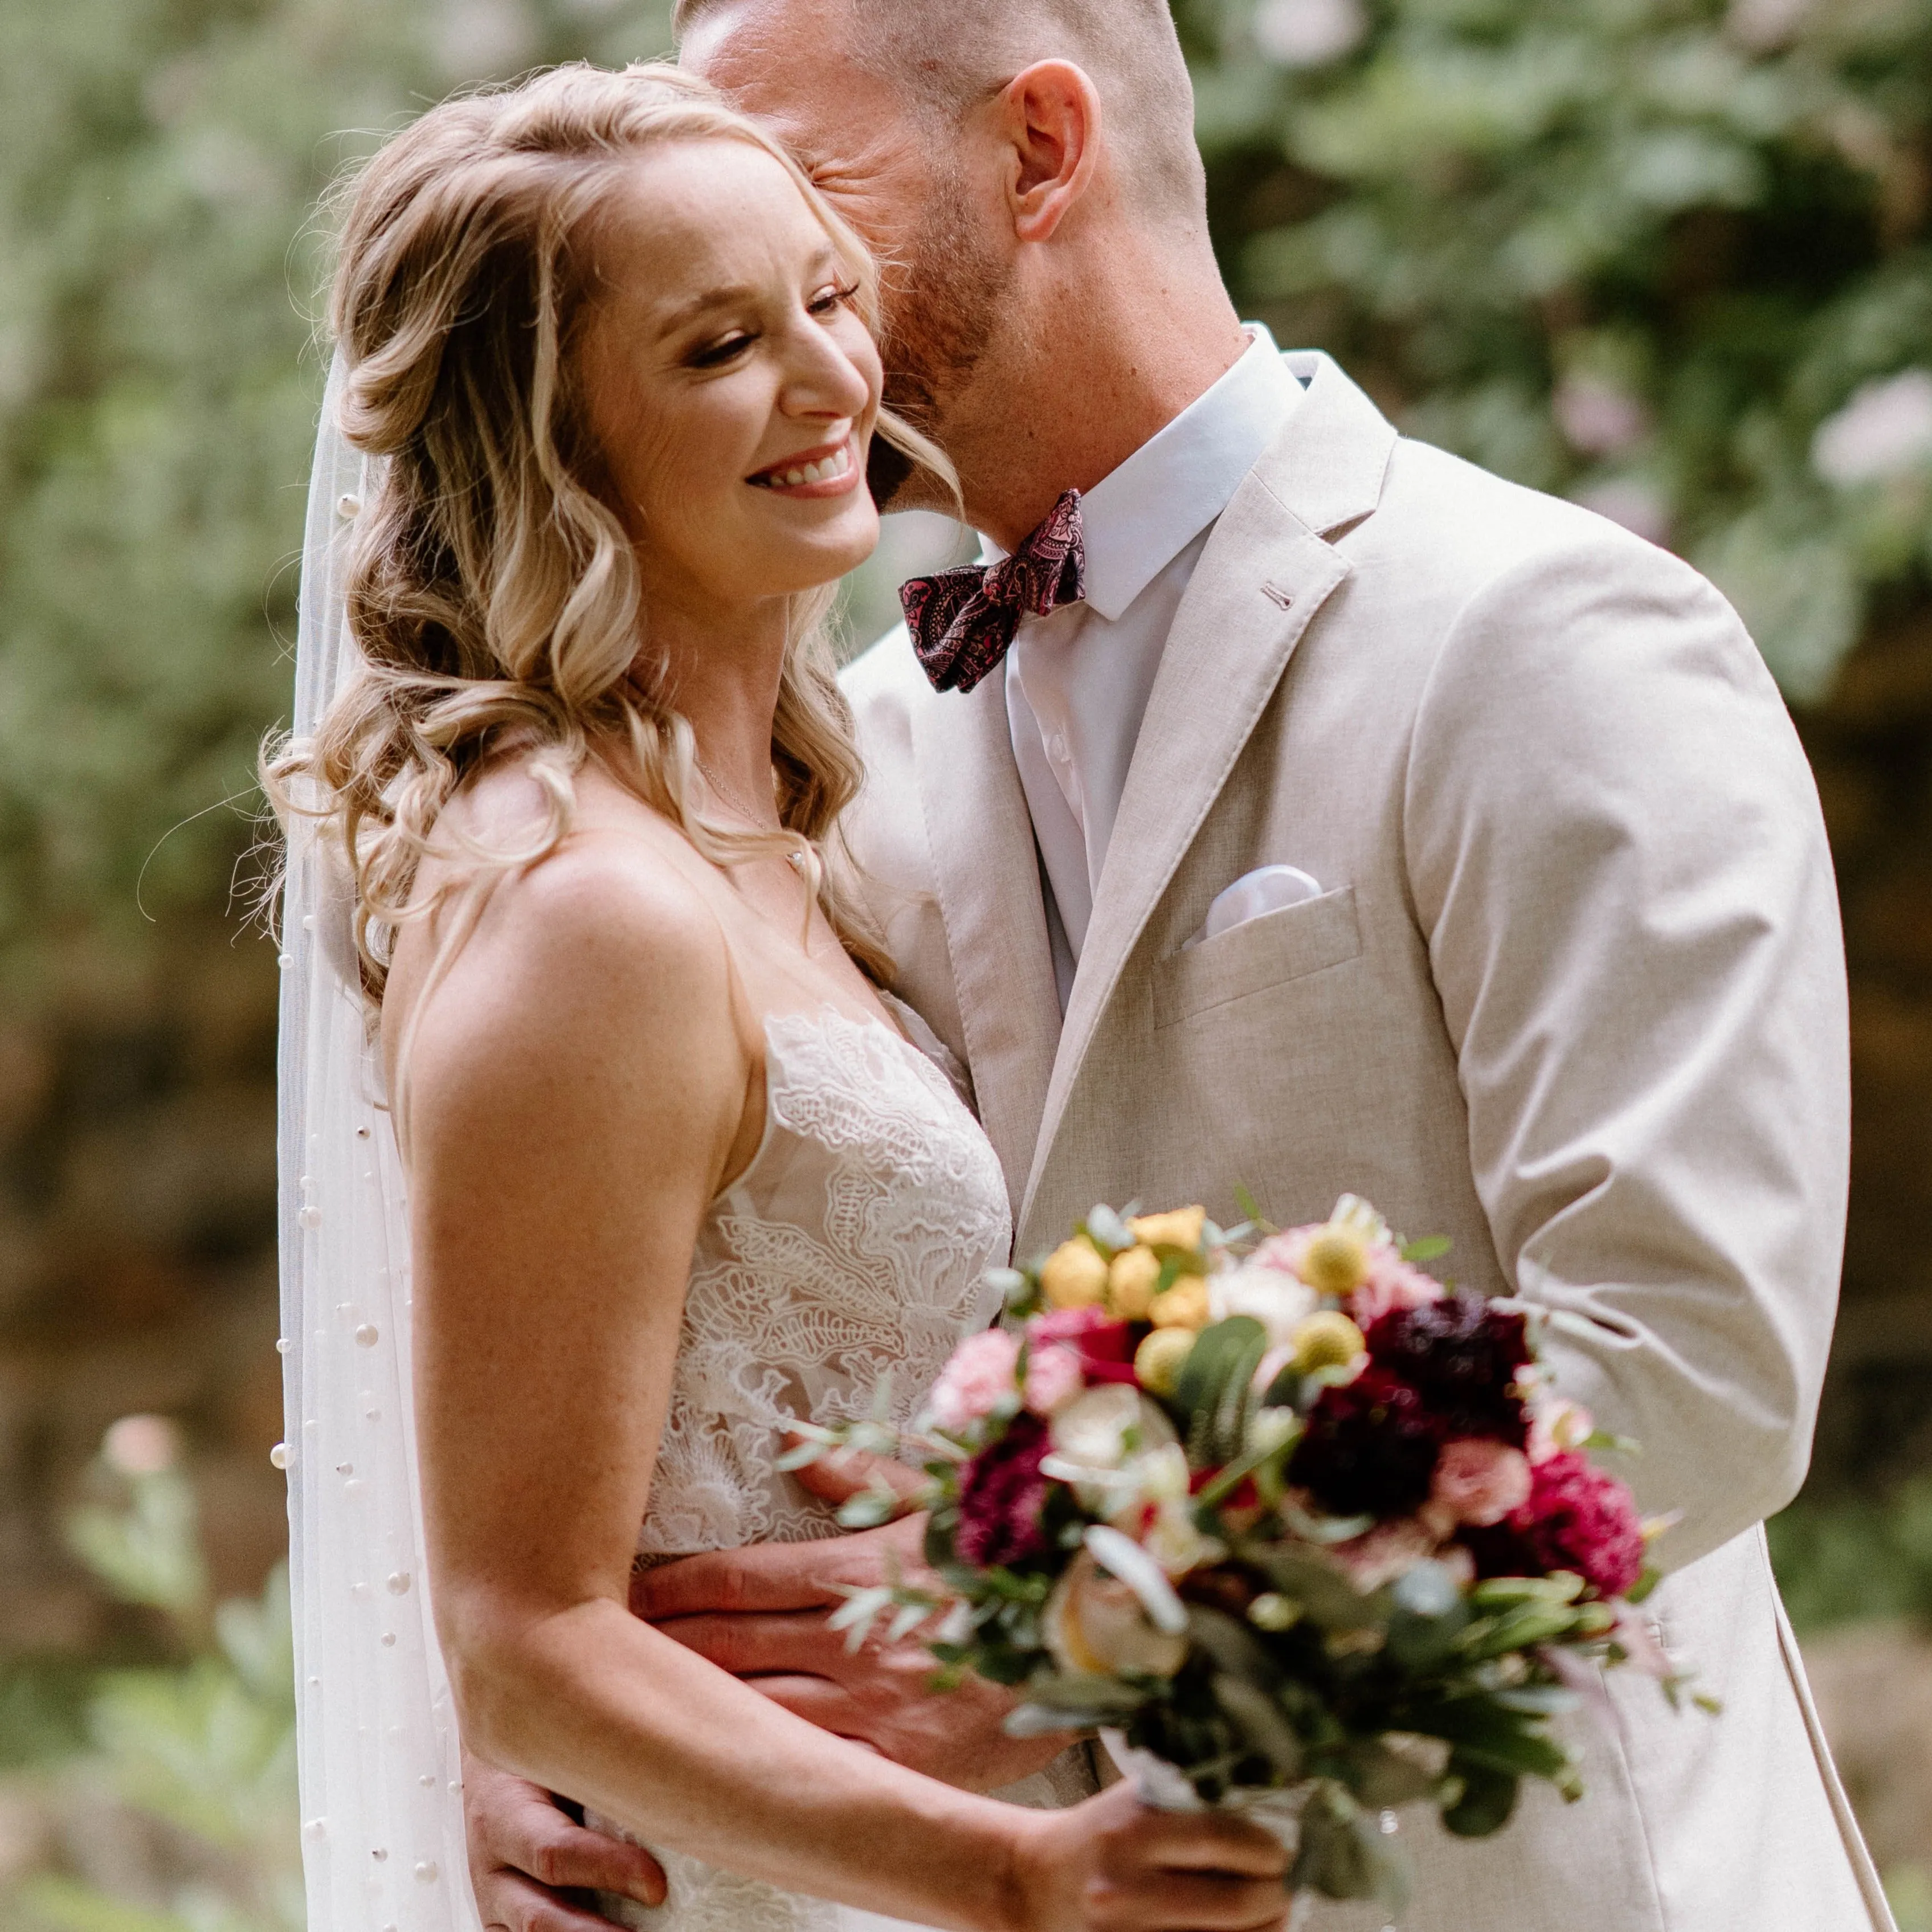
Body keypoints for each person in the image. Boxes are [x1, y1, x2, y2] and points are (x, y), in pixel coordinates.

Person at [461, 3, 1896, 1930]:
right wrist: (542, 1738)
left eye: (804, 190)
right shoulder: (845, 751)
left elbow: (1685, 1370)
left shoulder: (1546, 637)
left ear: (1039, 154)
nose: (746, 270)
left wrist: (1056, 1628)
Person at [269, 59, 1298, 1932]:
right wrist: (1019, 1876)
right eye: (716, 347)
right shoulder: (587, 906)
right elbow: (526, 1630)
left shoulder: (804, 822)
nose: (834, 380)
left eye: (825, 296)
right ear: (553, 442)